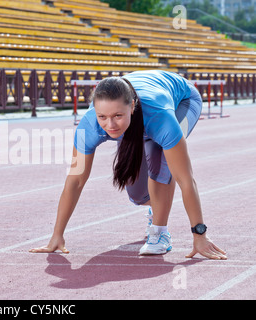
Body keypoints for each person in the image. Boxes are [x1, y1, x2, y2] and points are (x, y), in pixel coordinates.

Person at [30, 70, 227, 260]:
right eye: (103, 117)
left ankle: (160, 233)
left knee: (161, 157)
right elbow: (75, 181)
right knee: (138, 195)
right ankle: (156, 207)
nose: (110, 125)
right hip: (142, 109)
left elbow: (185, 180)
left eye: (117, 116)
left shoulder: (161, 118)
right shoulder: (88, 127)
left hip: (183, 100)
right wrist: (57, 234)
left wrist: (199, 234)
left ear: (131, 106)